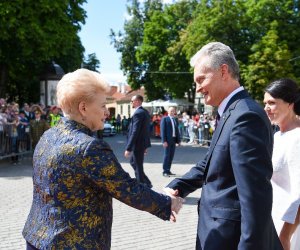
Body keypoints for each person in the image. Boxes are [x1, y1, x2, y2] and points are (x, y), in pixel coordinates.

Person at [22, 69, 183, 250]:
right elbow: (127, 188)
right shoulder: (89, 147)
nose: (106, 112)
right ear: (83, 108)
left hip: (36, 238)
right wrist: (167, 203)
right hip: (72, 244)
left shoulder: (48, 135)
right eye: (102, 106)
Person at [164, 42, 283, 249]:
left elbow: (255, 197)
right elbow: (212, 162)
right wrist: (178, 186)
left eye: (201, 79)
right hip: (219, 232)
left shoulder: (245, 116)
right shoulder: (231, 112)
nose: (198, 88)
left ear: (223, 71)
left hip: (230, 238)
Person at [264, 78, 300, 250]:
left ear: (290, 103)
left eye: (272, 103)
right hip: (273, 221)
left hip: (289, 230)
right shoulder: (277, 136)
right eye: (265, 103)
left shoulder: (298, 138)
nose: (266, 109)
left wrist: (285, 236)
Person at [124, 95, 153, 188]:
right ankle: (147, 183)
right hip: (141, 143)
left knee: (138, 166)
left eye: (132, 101)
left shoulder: (138, 113)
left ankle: (142, 186)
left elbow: (135, 131)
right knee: (134, 163)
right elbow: (146, 130)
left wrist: (128, 148)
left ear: (137, 101)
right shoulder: (144, 112)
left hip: (138, 144)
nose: (131, 103)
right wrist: (145, 145)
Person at [160, 106, 181, 177]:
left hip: (173, 140)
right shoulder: (165, 119)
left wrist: (178, 141)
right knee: (167, 156)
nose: (172, 112)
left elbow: (177, 131)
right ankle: (165, 171)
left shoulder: (175, 119)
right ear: (168, 111)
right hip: (167, 140)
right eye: (171, 111)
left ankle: (168, 170)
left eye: (173, 111)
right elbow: (162, 131)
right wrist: (164, 141)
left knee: (171, 156)